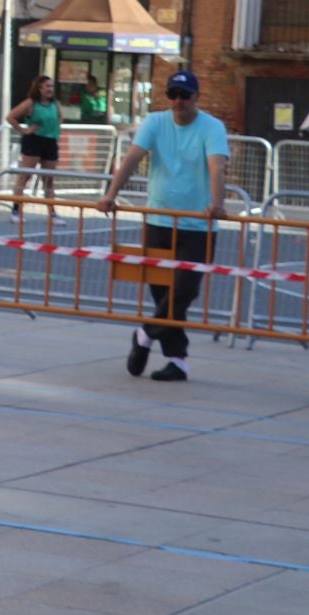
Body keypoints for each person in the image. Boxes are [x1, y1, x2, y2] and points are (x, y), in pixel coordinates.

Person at [98, 70, 229, 384]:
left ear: (197, 97)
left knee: (185, 290)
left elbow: (216, 166)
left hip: (198, 224)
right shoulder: (155, 122)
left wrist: (217, 202)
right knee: (162, 294)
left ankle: (144, 334)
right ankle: (177, 361)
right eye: (173, 95)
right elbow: (132, 158)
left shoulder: (212, 127)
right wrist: (110, 194)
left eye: (185, 95)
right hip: (159, 219)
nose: (178, 102)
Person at [7, 75, 62, 216]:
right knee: (25, 176)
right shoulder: (31, 103)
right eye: (47, 86)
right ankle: (16, 209)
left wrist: (55, 131)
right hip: (34, 140)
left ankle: (52, 212)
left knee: (49, 179)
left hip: (50, 142)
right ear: (39, 88)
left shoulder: (55, 104)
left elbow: (59, 118)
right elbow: (10, 117)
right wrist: (23, 130)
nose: (50, 89)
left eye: (52, 86)